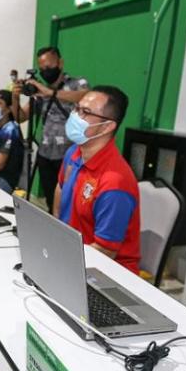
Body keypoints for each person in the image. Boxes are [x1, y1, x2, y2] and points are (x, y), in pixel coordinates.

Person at [55, 86, 140, 274]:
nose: (76, 116)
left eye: (85, 112)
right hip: (72, 257)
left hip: (108, 273)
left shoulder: (115, 182)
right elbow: (61, 189)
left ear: (107, 126)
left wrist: (59, 259)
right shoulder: (74, 152)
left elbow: (105, 250)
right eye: (77, 108)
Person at [13, 46, 90, 212]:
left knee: (70, 203)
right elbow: (20, 117)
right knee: (51, 202)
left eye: (49, 67)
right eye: (42, 69)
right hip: (46, 154)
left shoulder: (77, 83)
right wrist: (15, 97)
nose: (45, 72)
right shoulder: (39, 92)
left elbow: (85, 96)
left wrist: (49, 92)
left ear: (60, 63)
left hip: (70, 155)